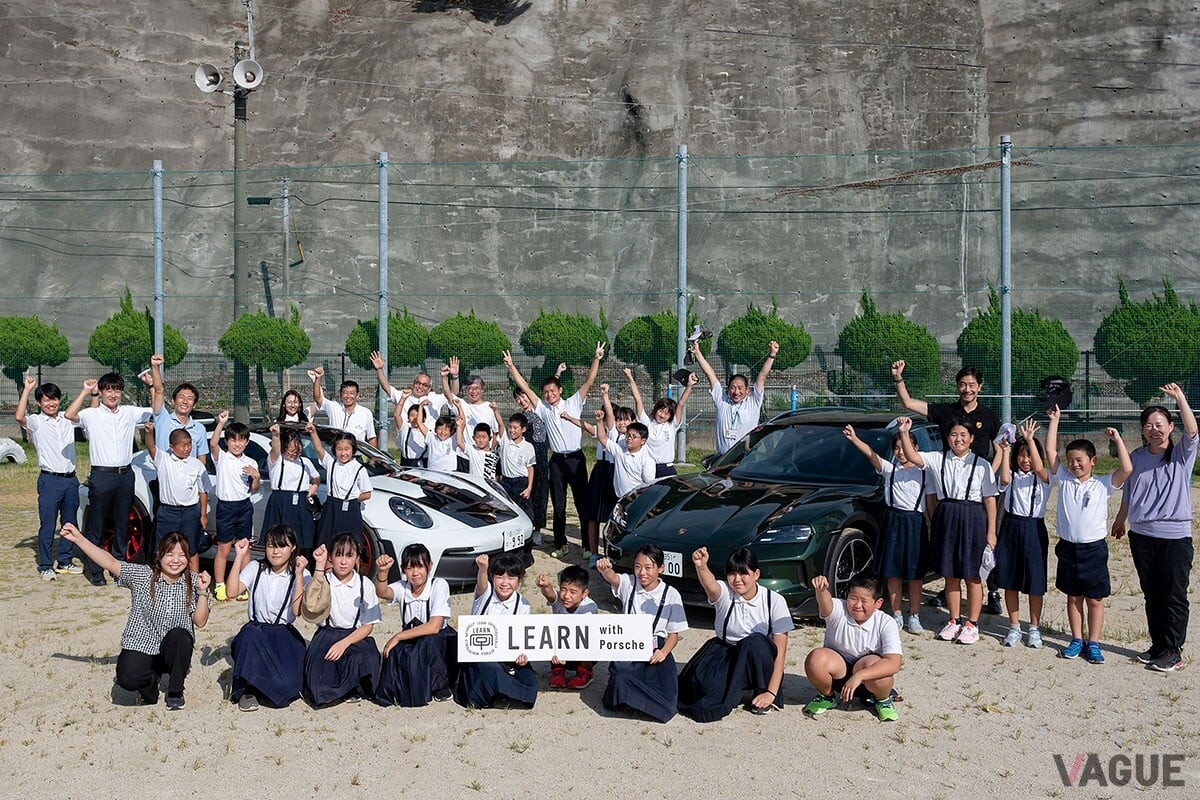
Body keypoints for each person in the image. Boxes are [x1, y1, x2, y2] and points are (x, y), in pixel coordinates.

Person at [892, 359, 1004, 614]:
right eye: (963, 385)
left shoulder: (988, 416)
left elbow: (1000, 448)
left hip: (977, 490)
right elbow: (908, 403)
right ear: (957, 387)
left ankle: (993, 591)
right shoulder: (946, 411)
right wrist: (899, 378)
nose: (967, 389)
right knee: (952, 551)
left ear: (980, 387)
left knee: (984, 548)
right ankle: (951, 607)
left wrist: (987, 474)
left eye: (972, 385)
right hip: (949, 484)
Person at [61, 524, 210, 710]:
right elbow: (110, 563)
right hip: (143, 643)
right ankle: (150, 688)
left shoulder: (194, 581)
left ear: (188, 558)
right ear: (159, 555)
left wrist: (203, 592)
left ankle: (175, 691)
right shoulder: (143, 576)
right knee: (127, 679)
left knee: (180, 636)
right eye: (170, 554)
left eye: (181, 555)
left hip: (173, 647)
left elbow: (200, 621)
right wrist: (78, 539)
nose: (175, 560)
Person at [1110, 383, 1195, 673]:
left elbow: (1193, 430)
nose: (1154, 430)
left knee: (1173, 594)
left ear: (1171, 427)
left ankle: (1173, 650)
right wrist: (1121, 518)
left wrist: (1179, 398)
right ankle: (1158, 645)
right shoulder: (1136, 457)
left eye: (1159, 424)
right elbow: (1129, 492)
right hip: (1142, 535)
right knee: (1151, 593)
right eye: (1148, 425)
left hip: (1174, 537)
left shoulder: (1182, 454)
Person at [898, 416, 997, 644]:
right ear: (947, 438)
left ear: (972, 439)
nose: (958, 439)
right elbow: (912, 456)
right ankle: (954, 620)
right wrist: (904, 433)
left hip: (973, 517)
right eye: (954, 435)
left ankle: (972, 623)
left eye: (963, 435)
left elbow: (990, 500)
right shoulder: (937, 459)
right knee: (950, 574)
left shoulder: (982, 465)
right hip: (947, 515)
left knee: (972, 575)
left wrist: (991, 532)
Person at [503, 343, 605, 558]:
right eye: (546, 392)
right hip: (557, 461)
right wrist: (512, 367)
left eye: (552, 390)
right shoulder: (543, 408)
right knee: (558, 506)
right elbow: (525, 387)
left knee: (581, 503)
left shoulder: (574, 403)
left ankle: (587, 546)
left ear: (560, 390)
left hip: (576, 459)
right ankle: (560, 544)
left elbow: (589, 381)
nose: (549, 394)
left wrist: (596, 358)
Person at [1047, 407, 1132, 664]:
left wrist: (1117, 439)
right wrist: (1055, 421)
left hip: (1094, 549)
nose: (1074, 464)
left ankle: (1093, 642)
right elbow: (1051, 452)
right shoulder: (1064, 479)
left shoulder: (1103, 484)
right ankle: (1076, 639)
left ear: (1092, 461)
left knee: (1094, 599)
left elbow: (1126, 469)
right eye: (1070, 460)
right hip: (1068, 548)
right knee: (1073, 597)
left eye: (1079, 460)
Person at [678, 547, 792, 721]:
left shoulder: (774, 601)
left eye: (743, 574)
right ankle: (734, 687)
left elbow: (780, 651)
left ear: (756, 574)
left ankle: (760, 690)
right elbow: (712, 586)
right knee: (703, 691)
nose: (737, 580)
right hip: (726, 651)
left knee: (754, 642)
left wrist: (771, 693)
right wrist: (701, 566)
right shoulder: (725, 592)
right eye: (732, 574)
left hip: (758, 658)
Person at [65, 372, 154, 585]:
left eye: (116, 389)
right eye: (108, 390)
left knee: (122, 523)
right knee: (96, 523)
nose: (112, 394)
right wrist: (86, 391)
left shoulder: (129, 413)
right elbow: (69, 415)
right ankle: (95, 569)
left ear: (121, 392)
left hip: (125, 474)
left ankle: (119, 568)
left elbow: (156, 410)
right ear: (102, 392)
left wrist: (152, 386)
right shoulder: (91, 414)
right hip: (102, 475)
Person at [843, 422, 928, 633]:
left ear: (915, 448)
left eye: (905, 447)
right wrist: (854, 439)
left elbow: (933, 502)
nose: (901, 452)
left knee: (915, 573)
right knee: (893, 571)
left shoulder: (925, 473)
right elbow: (871, 455)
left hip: (915, 522)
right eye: (897, 448)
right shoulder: (891, 470)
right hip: (893, 521)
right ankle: (897, 613)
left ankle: (915, 615)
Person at [596, 547, 688, 723]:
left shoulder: (671, 594)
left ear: (661, 568)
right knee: (622, 675)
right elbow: (614, 579)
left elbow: (673, 634)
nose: (642, 572)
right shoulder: (629, 584)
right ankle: (630, 698)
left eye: (648, 567)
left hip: (657, 646)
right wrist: (605, 570)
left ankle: (634, 699)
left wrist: (664, 652)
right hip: (630, 644)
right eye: (638, 566)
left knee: (669, 701)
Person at [226, 526, 310, 710]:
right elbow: (231, 592)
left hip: (284, 635)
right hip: (256, 632)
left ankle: (265, 685)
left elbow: (297, 611)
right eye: (271, 546)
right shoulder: (256, 567)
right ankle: (248, 689)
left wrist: (298, 576)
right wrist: (239, 556)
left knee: (288, 687)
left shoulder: (301, 573)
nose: (276, 551)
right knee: (250, 635)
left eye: (282, 546)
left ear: (293, 548)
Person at [802, 574, 902, 722]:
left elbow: (894, 663)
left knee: (881, 671)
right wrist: (821, 590)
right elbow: (826, 604)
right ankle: (827, 696)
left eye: (864, 601)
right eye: (853, 598)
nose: (857, 605)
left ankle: (883, 700)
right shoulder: (839, 609)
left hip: (867, 679)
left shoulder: (886, 622)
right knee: (816, 658)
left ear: (878, 603)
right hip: (838, 673)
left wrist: (859, 676)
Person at [991, 420, 1051, 648]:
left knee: (1035, 581)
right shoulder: (1013, 477)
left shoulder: (1044, 478)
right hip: (1011, 527)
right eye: (1021, 456)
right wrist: (1006, 452)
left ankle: (1034, 628)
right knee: (1010, 579)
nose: (1025, 460)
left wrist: (1028, 440)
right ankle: (1014, 626)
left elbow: (1038, 467)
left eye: (1029, 455)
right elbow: (1004, 479)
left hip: (1034, 529)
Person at [303, 536, 382, 706]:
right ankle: (345, 688)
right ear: (330, 557)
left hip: (355, 636)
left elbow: (368, 626)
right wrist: (318, 565)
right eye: (339, 555)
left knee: (363, 657)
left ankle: (352, 686)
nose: (344, 561)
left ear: (357, 558)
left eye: (349, 555)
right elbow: (310, 608)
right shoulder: (323, 580)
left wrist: (343, 643)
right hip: (327, 634)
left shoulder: (365, 584)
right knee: (318, 684)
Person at [375, 544, 458, 706]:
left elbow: (434, 626)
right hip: (412, 636)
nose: (415, 573)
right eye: (409, 568)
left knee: (427, 645)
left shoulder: (439, 585)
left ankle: (439, 684)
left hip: (438, 639)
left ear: (430, 566)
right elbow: (382, 592)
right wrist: (382, 572)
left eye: (420, 566)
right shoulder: (402, 587)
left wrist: (397, 636)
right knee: (394, 653)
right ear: (403, 570)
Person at [16, 377, 82, 580]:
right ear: (39, 403)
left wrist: (89, 392)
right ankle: (45, 565)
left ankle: (64, 561)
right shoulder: (36, 422)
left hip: (71, 479)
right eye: (46, 400)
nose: (51, 403)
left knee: (70, 523)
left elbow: (89, 413)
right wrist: (27, 389)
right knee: (47, 525)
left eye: (54, 399)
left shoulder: (67, 418)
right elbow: (20, 417)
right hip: (50, 480)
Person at [455, 552, 537, 709]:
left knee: (530, 684)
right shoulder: (485, 594)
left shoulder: (523, 604)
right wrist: (483, 568)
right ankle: (496, 691)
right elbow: (481, 584)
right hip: (481, 656)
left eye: (511, 578)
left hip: (508, 659)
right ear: (492, 577)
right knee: (489, 668)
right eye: (500, 577)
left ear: (519, 580)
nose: (505, 583)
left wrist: (523, 655)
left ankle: (501, 689)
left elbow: (522, 635)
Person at [208, 410, 261, 602]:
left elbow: (254, 489)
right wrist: (220, 423)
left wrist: (256, 477)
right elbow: (213, 444)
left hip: (244, 507)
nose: (237, 444)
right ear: (227, 441)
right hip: (225, 507)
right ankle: (220, 585)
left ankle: (242, 585)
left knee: (244, 548)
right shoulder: (222, 458)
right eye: (233, 440)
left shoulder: (251, 462)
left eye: (241, 440)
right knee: (223, 548)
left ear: (247, 442)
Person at [691, 338, 778, 455]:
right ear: (728, 389)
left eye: (740, 388)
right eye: (733, 387)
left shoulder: (754, 402)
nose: (736, 392)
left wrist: (772, 355)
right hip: (722, 459)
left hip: (745, 459)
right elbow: (710, 374)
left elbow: (762, 376)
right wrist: (697, 352)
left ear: (747, 390)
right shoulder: (722, 400)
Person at [144, 423, 208, 575]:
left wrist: (203, 515)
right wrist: (149, 432)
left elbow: (203, 491)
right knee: (164, 547)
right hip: (168, 511)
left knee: (191, 548)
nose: (187, 448)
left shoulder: (197, 464)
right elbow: (151, 447)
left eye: (189, 445)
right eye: (183, 445)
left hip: (190, 512)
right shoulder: (163, 459)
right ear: (172, 447)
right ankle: (160, 580)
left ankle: (194, 583)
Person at [625, 366, 697, 477]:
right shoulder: (647, 423)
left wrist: (689, 386)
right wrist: (630, 378)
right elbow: (638, 400)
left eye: (667, 413)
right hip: (649, 467)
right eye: (661, 411)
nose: (662, 415)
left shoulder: (671, 426)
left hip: (667, 469)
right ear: (656, 409)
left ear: (670, 416)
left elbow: (681, 403)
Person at [536, 565, 598, 689]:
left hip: (580, 646)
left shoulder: (589, 608)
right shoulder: (560, 599)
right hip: (560, 648)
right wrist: (545, 586)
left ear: (584, 593)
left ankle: (585, 672)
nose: (566, 595)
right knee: (548, 633)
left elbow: (581, 634)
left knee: (590, 639)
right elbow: (551, 596)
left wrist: (567, 653)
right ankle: (558, 670)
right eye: (563, 589)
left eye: (573, 592)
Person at [261, 423, 321, 552]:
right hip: (281, 501)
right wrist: (276, 435)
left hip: (301, 502)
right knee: (279, 539)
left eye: (297, 450)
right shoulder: (277, 461)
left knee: (301, 540)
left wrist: (312, 489)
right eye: (291, 451)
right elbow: (275, 449)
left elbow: (316, 477)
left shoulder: (305, 462)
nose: (294, 454)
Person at [312, 431, 372, 550]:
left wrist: (352, 499)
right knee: (325, 543)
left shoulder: (359, 469)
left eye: (347, 449)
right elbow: (319, 449)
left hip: (350, 509)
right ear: (334, 450)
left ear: (353, 449)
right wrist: (313, 433)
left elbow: (367, 493)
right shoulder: (331, 463)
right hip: (331, 508)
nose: (343, 453)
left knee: (350, 544)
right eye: (339, 449)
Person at [149, 353, 208, 464]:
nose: (185, 401)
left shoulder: (200, 429)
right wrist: (155, 367)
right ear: (173, 401)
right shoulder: (163, 419)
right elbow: (159, 391)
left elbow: (201, 460)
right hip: (166, 477)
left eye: (190, 398)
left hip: (189, 479)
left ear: (194, 405)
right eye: (181, 397)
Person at [370, 349, 451, 423]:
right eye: (418, 383)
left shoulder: (435, 398)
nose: (420, 387)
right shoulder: (404, 396)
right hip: (407, 438)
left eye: (424, 385)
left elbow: (453, 393)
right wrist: (379, 370)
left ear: (429, 388)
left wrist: (452, 377)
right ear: (413, 383)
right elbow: (386, 387)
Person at [513, 387, 550, 546]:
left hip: (541, 460)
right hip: (525, 462)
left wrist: (557, 373)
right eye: (518, 399)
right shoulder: (520, 418)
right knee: (526, 494)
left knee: (541, 495)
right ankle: (526, 526)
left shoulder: (541, 410)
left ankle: (538, 529)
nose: (522, 400)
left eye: (523, 396)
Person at [596, 412, 656, 499]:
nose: (629, 439)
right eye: (628, 435)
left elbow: (649, 484)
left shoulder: (647, 460)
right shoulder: (619, 451)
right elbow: (603, 439)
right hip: (619, 497)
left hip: (636, 499)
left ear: (643, 441)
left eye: (634, 437)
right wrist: (599, 421)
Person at [312, 366, 377, 446]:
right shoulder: (334, 407)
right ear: (340, 394)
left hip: (356, 455)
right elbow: (318, 398)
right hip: (336, 454)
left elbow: (372, 438)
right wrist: (318, 378)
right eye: (345, 393)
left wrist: (373, 458)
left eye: (352, 393)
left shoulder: (365, 413)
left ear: (357, 395)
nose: (348, 396)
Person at [498, 413, 536, 527]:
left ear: (523, 429)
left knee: (524, 510)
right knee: (505, 509)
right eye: (510, 427)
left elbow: (530, 468)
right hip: (506, 482)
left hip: (521, 482)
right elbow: (500, 424)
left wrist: (529, 487)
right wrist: (495, 411)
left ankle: (527, 534)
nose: (512, 430)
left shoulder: (528, 447)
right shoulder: (505, 441)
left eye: (515, 428)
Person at [395, 402, 429, 468]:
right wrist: (403, 399)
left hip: (423, 465)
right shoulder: (404, 429)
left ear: (424, 418)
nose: (415, 418)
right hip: (407, 464)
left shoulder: (428, 432)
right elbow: (397, 415)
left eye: (418, 415)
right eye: (412, 415)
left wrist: (421, 406)